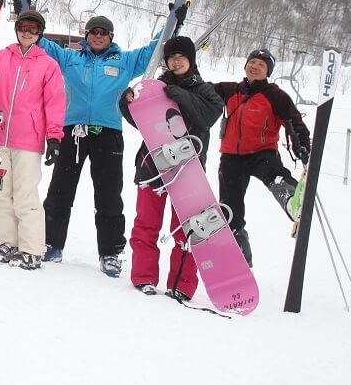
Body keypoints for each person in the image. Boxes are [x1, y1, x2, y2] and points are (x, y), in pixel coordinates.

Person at [35, 11, 178, 277]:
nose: (98, 36)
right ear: (86, 36)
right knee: (60, 191)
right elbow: (42, 43)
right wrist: (28, 15)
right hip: (74, 131)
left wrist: (172, 26)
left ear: (110, 38)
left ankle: (110, 253)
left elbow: (154, 51)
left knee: (109, 195)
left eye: (103, 32)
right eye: (93, 32)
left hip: (108, 133)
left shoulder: (123, 61)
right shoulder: (70, 58)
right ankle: (51, 243)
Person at [121, 36, 223, 301]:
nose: (176, 61)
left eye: (181, 57)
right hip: (152, 167)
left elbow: (208, 116)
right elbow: (141, 121)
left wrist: (181, 96)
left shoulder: (205, 90)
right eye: (171, 57)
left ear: (191, 60)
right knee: (146, 226)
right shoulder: (154, 87)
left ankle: (181, 284)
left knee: (187, 231)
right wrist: (126, 101)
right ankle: (144, 277)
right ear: (165, 61)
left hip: (189, 173)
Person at [0, 9, 66, 268]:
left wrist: (54, 138)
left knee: (25, 194)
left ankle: (31, 248)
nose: (27, 32)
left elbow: (55, 104)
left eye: (33, 29)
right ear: (17, 29)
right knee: (1, 192)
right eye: (24, 26)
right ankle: (7, 242)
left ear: (39, 34)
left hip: (28, 138)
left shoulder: (48, 65)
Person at [212, 48, 311, 266]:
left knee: (275, 175)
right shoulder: (230, 90)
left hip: (262, 152)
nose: (255, 67)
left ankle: (293, 199)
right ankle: (239, 256)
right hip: (231, 157)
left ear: (268, 72)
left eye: (262, 65)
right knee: (230, 208)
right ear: (246, 65)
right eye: (252, 62)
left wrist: (302, 146)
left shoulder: (275, 95)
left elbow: (294, 122)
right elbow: (201, 90)